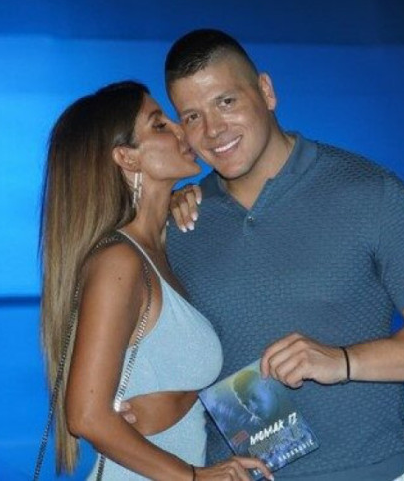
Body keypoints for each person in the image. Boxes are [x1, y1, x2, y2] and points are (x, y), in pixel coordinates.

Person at [158, 29, 404, 480]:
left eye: (226, 102)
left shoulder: (368, 193)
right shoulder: (182, 225)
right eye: (192, 116)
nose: (213, 130)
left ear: (266, 91)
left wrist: (343, 361)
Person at [38, 80, 271, 480]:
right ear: (127, 157)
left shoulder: (161, 248)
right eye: (160, 125)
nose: (182, 129)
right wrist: (194, 477)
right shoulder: (119, 262)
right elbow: (86, 415)